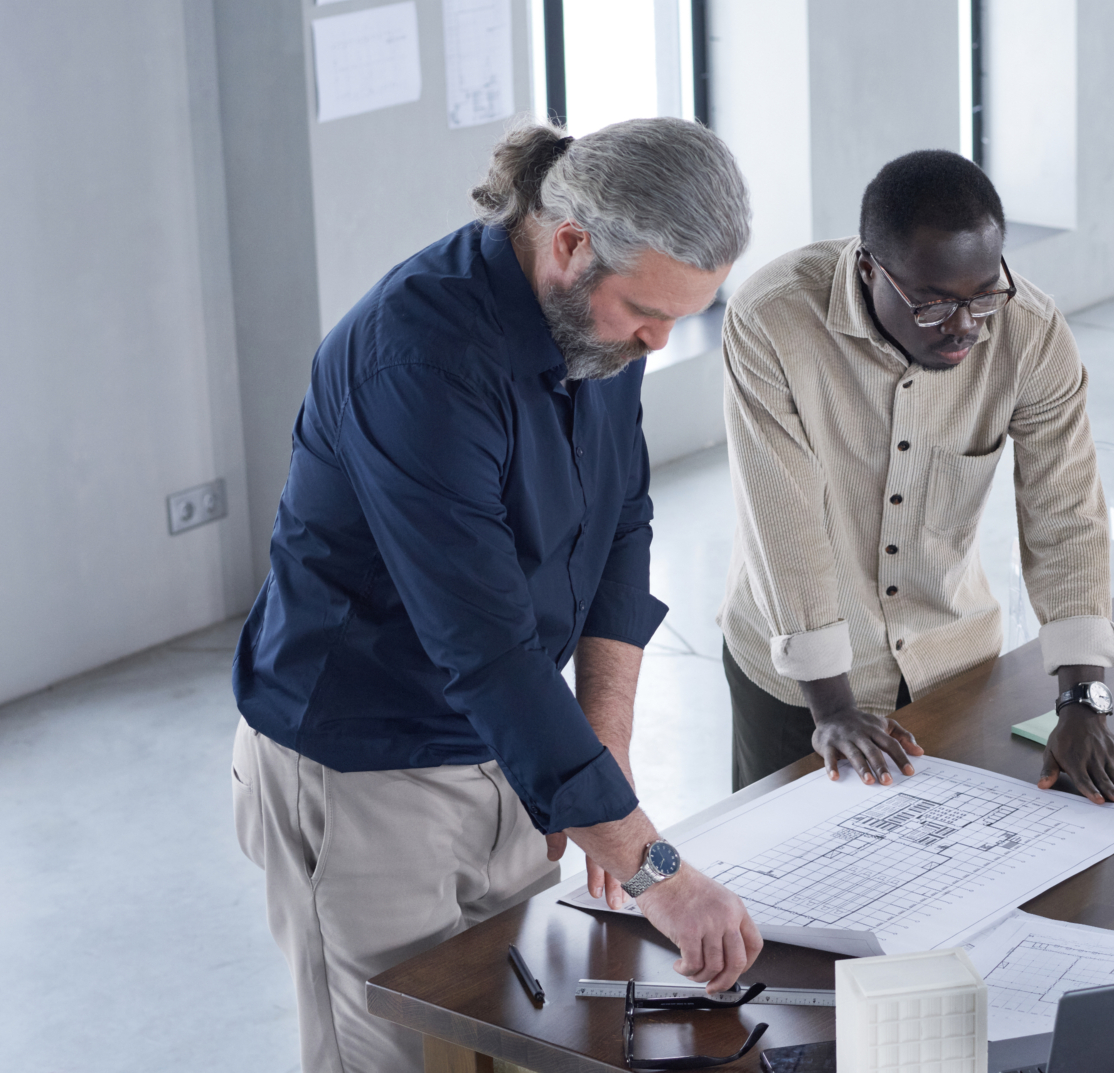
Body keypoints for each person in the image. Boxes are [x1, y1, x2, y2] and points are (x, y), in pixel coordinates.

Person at [230, 119, 761, 1073]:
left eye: (686, 314)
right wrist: (658, 871)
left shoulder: (600, 333)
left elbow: (621, 522)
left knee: (518, 1039)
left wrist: (605, 747)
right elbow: (484, 647)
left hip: (515, 746)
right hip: (366, 770)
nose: (659, 339)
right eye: (647, 310)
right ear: (567, 243)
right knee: (396, 1054)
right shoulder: (417, 362)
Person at [718, 150, 1114, 806]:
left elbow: (1065, 512)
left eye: (984, 297)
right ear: (869, 268)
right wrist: (830, 710)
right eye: (933, 304)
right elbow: (785, 525)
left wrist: (1081, 701)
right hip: (799, 681)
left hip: (953, 663)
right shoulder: (772, 320)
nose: (965, 327)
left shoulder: (1029, 332)